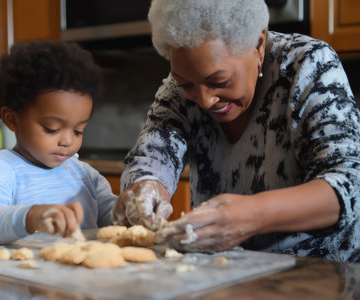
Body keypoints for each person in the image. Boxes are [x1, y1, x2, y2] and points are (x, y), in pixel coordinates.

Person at [112, 0, 360, 262]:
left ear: (258, 45)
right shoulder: (178, 90)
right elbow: (151, 156)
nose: (205, 100)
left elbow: (349, 184)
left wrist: (254, 214)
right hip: (223, 272)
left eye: (219, 81)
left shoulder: (308, 65)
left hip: (322, 275)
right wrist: (147, 187)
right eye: (187, 84)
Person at [0, 40, 116, 245]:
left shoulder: (86, 176)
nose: (67, 141)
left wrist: (129, 212)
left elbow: (112, 218)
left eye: (78, 130)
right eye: (52, 128)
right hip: (23, 274)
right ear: (12, 119)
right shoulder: (2, 168)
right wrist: (31, 217)